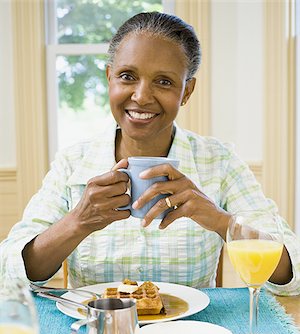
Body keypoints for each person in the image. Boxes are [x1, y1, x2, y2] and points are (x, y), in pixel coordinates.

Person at [0, 12, 299, 295]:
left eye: (164, 82)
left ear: (187, 91)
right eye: (127, 76)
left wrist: (220, 220)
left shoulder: (220, 163)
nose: (141, 96)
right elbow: (8, 271)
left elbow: (292, 275)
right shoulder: (73, 163)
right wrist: (77, 221)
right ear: (109, 78)